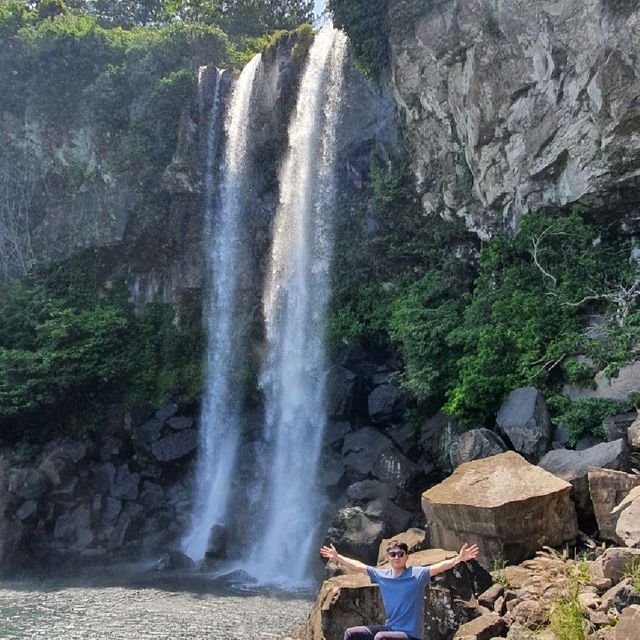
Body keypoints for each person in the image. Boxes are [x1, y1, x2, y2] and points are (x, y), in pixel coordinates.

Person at [319, 539, 480, 640]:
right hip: (391, 629)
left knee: (381, 638)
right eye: (393, 554)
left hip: (409, 635)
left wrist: (458, 559)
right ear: (388, 557)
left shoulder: (417, 575)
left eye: (400, 554)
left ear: (406, 556)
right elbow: (359, 566)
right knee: (351, 633)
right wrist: (338, 557)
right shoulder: (382, 576)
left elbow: (438, 567)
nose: (396, 557)